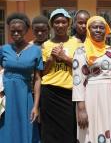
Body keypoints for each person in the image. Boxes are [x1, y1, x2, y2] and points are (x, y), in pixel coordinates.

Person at [72, 16, 111, 143]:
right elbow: (78, 81)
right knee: (94, 129)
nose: (99, 30)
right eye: (95, 27)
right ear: (89, 30)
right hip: (93, 96)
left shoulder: (109, 50)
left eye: (102, 27)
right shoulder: (81, 51)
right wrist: (81, 109)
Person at [0, 13, 42, 143]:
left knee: (26, 128)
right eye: (13, 31)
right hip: (6, 96)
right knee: (6, 128)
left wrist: (35, 106)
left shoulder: (36, 50)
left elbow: (37, 79)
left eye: (19, 31)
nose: (16, 34)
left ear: (26, 30)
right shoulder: (3, 49)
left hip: (25, 95)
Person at [40, 8, 79, 143]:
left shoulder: (77, 43)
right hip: (49, 92)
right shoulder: (46, 45)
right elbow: (43, 72)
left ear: (68, 23)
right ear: (52, 24)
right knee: (49, 132)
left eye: (63, 22)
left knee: (69, 130)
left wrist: (64, 57)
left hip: (69, 93)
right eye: (56, 22)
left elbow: (81, 69)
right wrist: (51, 58)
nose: (60, 25)